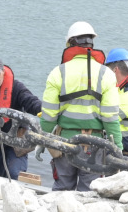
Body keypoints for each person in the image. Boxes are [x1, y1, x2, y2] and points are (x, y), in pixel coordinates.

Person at [40, 21, 121, 192]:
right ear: (92, 44)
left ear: (70, 44)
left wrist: (43, 139)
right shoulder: (106, 74)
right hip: (94, 146)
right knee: (89, 193)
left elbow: (48, 116)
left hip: (64, 143)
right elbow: (111, 119)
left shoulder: (58, 72)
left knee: (62, 189)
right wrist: (118, 148)